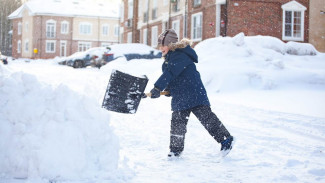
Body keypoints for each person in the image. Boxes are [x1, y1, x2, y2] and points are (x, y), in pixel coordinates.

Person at [149, 29, 234, 157]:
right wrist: (169, 91)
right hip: (180, 97)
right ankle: (175, 150)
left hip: (194, 93)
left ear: (171, 45)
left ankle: (226, 139)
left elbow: (170, 73)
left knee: (207, 118)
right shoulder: (169, 59)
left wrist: (157, 88)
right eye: (159, 46)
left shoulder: (179, 55)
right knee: (177, 123)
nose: (161, 48)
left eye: (163, 45)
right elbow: (173, 78)